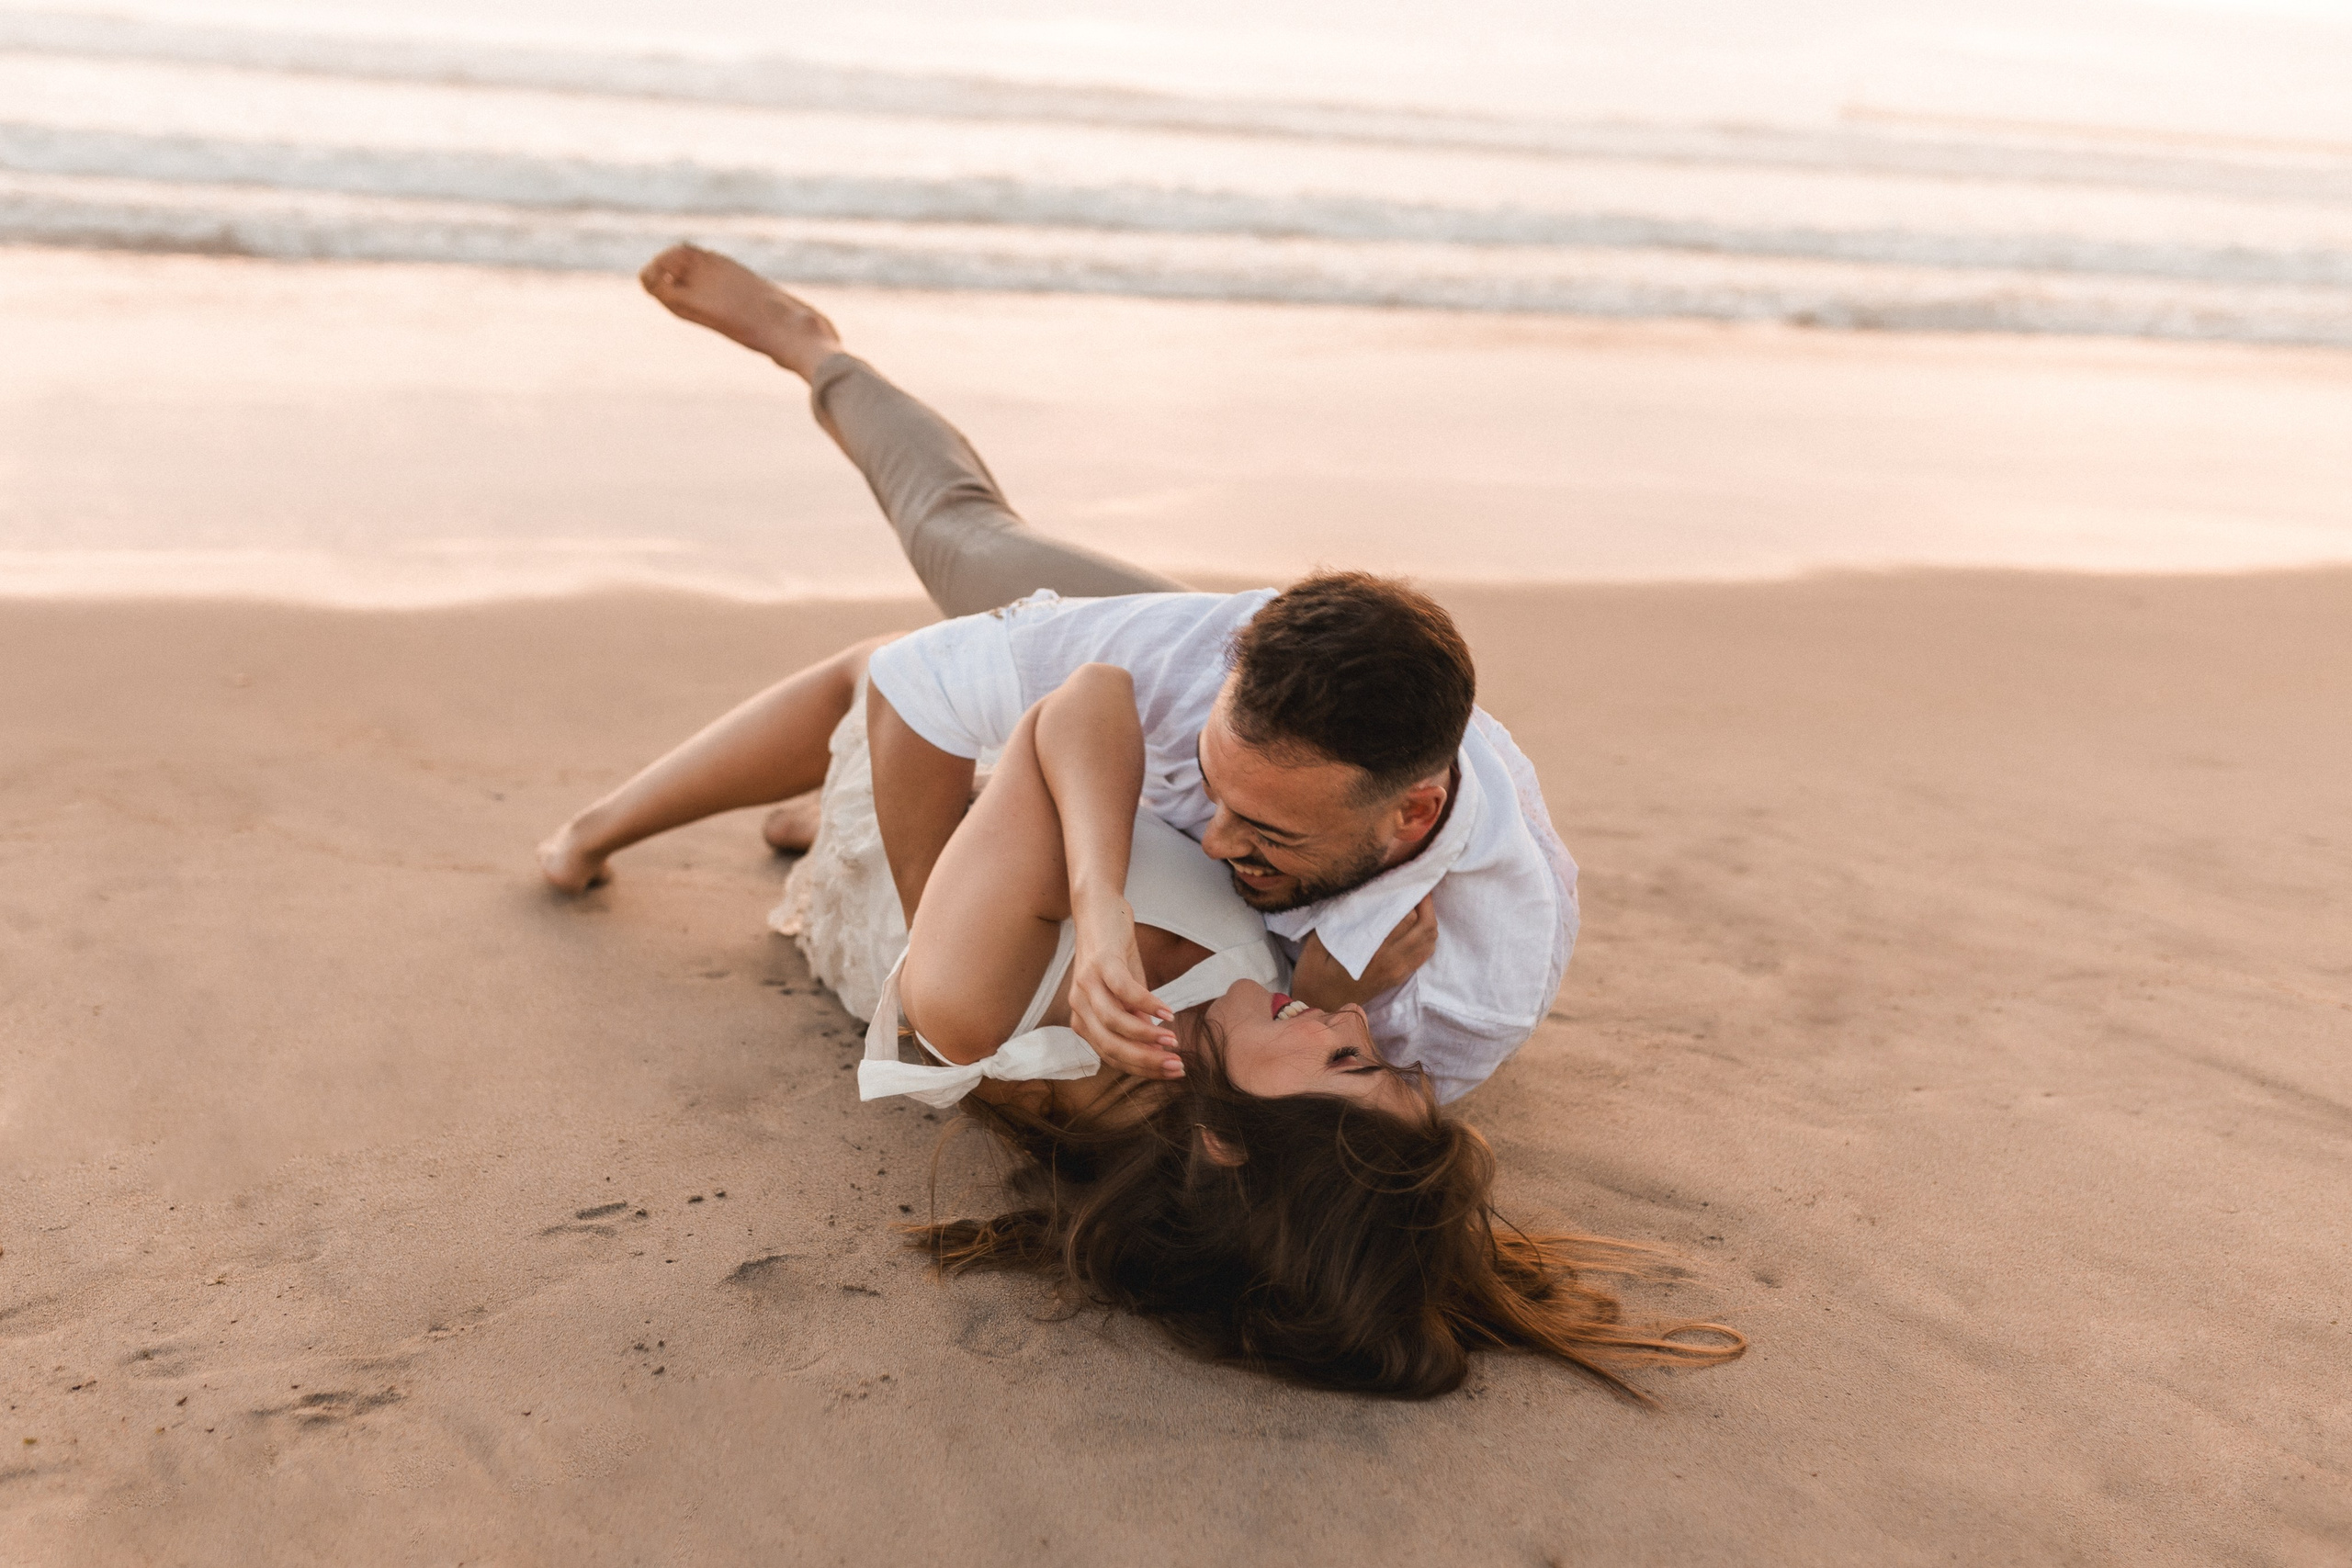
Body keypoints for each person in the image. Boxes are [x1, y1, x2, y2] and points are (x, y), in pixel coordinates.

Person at [540, 244, 1579, 1104]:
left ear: (1409, 819)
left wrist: (963, 935)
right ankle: (812, 349)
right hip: (1162, 714)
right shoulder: (1184, 664)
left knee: (951, 730)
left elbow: (1347, 1131)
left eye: (1264, 832)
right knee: (961, 542)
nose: (1223, 839)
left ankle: (758, 824)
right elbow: (925, 684)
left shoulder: (1471, 989)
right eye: (1219, 794)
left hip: (1081, 850)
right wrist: (965, 910)